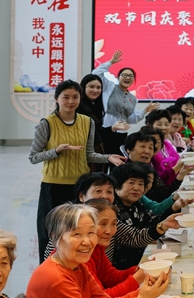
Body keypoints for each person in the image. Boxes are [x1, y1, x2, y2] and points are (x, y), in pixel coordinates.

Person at [26, 204, 169, 298]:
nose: (87, 241)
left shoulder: (77, 264)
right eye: (77, 234)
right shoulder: (55, 276)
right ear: (54, 236)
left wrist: (145, 292)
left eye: (90, 232)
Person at [29, 79, 125, 261]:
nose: (71, 101)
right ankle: (50, 271)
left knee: (79, 232)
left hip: (80, 188)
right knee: (52, 234)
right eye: (66, 97)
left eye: (75, 97)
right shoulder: (47, 123)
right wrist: (56, 151)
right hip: (53, 187)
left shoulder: (87, 122)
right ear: (57, 99)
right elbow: (33, 156)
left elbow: (89, 154)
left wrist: (108, 157)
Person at [108, 161, 182, 269]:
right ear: (117, 186)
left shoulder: (136, 204)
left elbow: (152, 220)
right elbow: (135, 238)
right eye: (131, 183)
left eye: (140, 184)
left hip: (138, 261)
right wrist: (163, 225)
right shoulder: (111, 211)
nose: (136, 188)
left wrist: (174, 208)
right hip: (120, 270)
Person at [93, 49, 160, 154]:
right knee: (104, 162)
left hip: (121, 135)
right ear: (118, 77)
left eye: (131, 76)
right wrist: (111, 62)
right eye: (124, 75)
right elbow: (96, 74)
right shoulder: (109, 86)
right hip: (105, 130)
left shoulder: (133, 99)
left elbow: (131, 119)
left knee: (118, 162)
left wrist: (146, 110)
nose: (127, 77)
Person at [84, 199, 146, 297]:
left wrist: (137, 270)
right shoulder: (82, 256)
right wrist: (136, 279)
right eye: (103, 224)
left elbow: (109, 276)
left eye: (114, 224)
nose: (109, 231)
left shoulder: (98, 247)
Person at [78, 74, 107, 170]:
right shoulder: (78, 106)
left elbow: (96, 130)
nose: (95, 90)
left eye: (98, 87)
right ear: (83, 87)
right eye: (91, 87)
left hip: (97, 148)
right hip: (84, 150)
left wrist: (112, 128)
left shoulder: (95, 105)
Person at [145, 109, 181, 182]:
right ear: (150, 126)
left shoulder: (167, 143)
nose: (163, 127)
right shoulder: (147, 148)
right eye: (159, 124)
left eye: (167, 124)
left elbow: (178, 161)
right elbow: (157, 178)